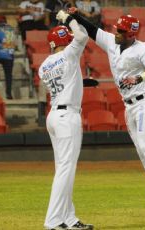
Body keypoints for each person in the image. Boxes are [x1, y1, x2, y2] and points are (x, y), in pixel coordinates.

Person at [69, 9, 145, 219]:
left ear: (131, 34)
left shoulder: (143, 47)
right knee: (142, 151)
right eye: (118, 29)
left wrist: (140, 77)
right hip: (129, 106)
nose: (117, 33)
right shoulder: (111, 42)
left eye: (122, 31)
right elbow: (92, 30)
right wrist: (76, 14)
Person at [39, 10, 93, 230]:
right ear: (65, 40)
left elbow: (63, 81)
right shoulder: (70, 53)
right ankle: (52, 221)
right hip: (67, 116)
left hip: (54, 115)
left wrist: (82, 83)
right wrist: (68, 19)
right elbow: (82, 36)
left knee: (64, 169)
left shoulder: (44, 65)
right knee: (65, 170)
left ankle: (69, 218)